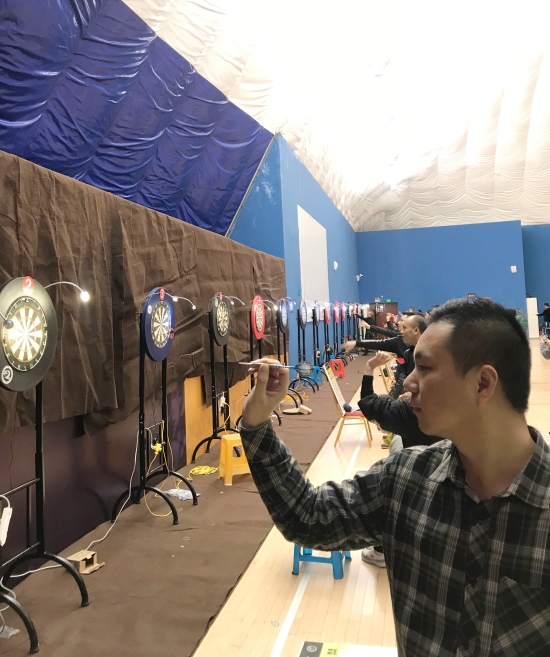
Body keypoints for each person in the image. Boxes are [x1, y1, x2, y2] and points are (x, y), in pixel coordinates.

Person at [240, 298, 550, 655]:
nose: (410, 383)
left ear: (482, 383)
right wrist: (256, 421)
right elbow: (308, 517)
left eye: (424, 368)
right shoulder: (405, 479)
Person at [357, 350, 442, 569]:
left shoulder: (412, 414)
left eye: (422, 369)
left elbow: (369, 404)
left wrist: (369, 368)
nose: (409, 381)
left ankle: (380, 550)